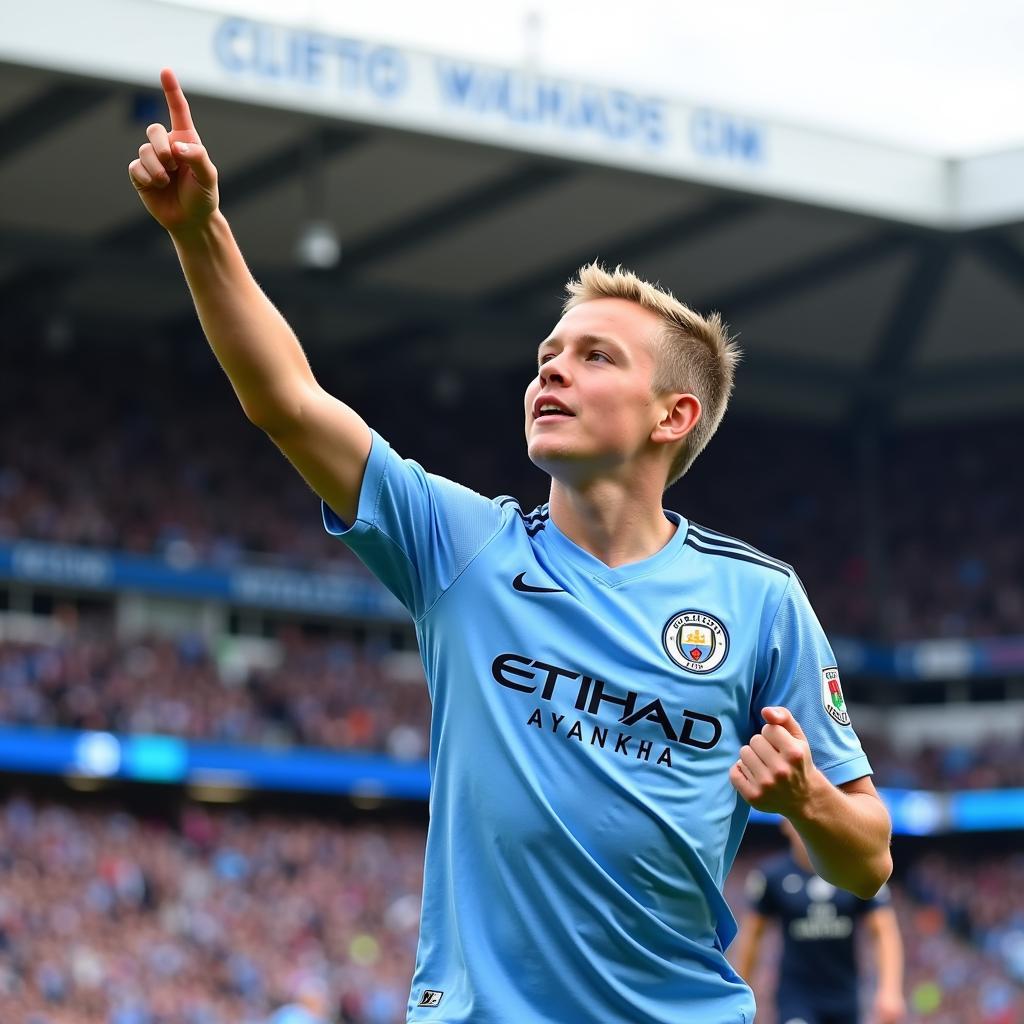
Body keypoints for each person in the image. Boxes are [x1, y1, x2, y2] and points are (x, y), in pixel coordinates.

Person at [128, 68, 893, 1024]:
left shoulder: (760, 601)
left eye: (593, 356)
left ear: (674, 414)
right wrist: (199, 230)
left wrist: (806, 797)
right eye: (546, 357)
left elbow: (868, 856)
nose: (551, 372)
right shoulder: (463, 547)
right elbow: (287, 401)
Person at [733, 819, 906, 1024]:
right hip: (795, 997)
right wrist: (740, 993)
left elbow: (884, 931)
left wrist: (890, 990)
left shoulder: (856, 871)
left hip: (844, 998)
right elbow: (752, 936)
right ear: (785, 825)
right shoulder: (771, 877)